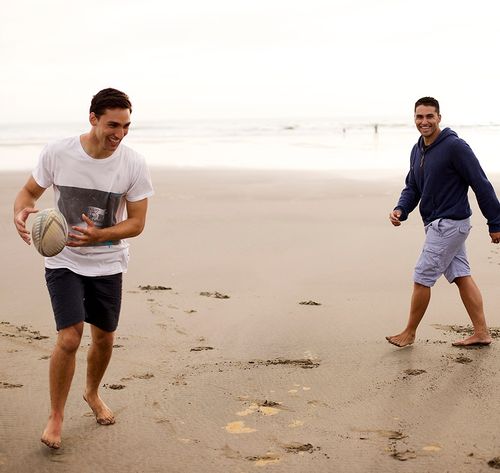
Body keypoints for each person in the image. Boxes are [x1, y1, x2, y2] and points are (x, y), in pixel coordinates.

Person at [13, 88, 154, 449]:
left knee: (104, 337)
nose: (119, 135)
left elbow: (137, 222)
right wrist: (21, 211)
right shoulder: (58, 152)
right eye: (112, 125)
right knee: (70, 337)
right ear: (93, 118)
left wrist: (99, 236)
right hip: (64, 260)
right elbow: (29, 192)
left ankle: (91, 393)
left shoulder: (133, 164)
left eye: (126, 127)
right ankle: (56, 416)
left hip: (108, 261)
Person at [386, 96, 500, 348]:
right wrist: (401, 209)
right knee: (461, 275)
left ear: (439, 117)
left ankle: (409, 332)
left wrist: (496, 222)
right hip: (438, 224)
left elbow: (480, 183)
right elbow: (413, 187)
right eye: (419, 116)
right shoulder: (417, 150)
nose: (424, 121)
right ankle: (481, 333)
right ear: (414, 118)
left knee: (422, 277)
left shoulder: (455, 147)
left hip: (449, 224)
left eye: (429, 116)